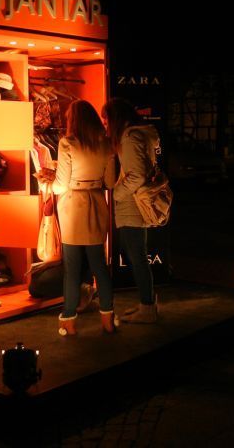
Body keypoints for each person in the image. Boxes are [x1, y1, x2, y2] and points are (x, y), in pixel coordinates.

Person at [38, 99, 117, 335]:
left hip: (73, 206)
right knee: (99, 265)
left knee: (72, 268)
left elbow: (61, 185)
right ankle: (108, 318)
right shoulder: (106, 143)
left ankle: (69, 320)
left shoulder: (67, 143)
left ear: (73, 120)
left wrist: (49, 181)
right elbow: (110, 182)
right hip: (96, 202)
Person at [101, 97, 159, 323]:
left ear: (116, 118)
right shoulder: (137, 135)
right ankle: (147, 303)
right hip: (135, 204)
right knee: (138, 256)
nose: (105, 124)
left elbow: (137, 175)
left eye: (107, 120)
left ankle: (147, 307)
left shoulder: (129, 137)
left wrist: (117, 194)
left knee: (137, 257)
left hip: (133, 205)